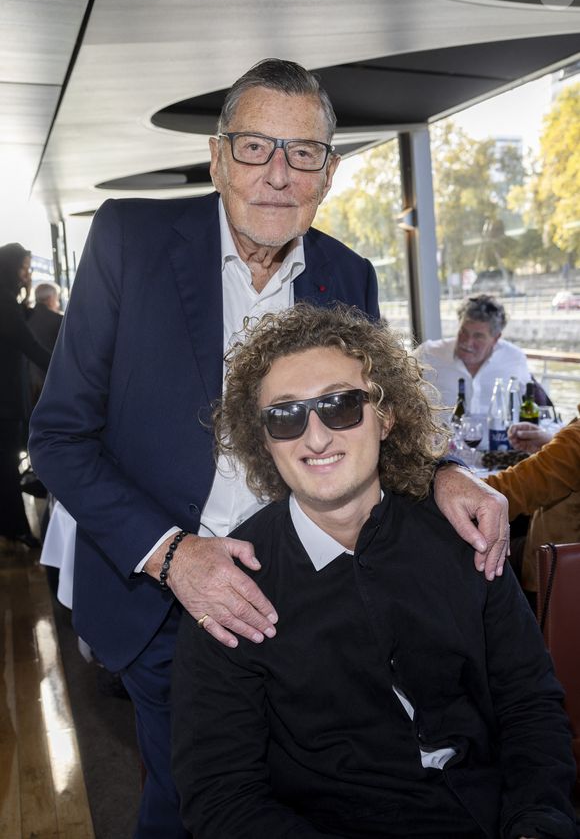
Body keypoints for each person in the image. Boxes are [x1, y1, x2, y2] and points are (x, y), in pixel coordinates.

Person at [29, 59, 508, 838]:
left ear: (330, 172)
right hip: (168, 595)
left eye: (303, 153)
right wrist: (174, 556)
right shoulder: (130, 239)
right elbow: (58, 435)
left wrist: (449, 472)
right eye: (255, 148)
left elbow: (378, 413)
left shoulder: (347, 272)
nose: (278, 175)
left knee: (303, 793)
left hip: (306, 593)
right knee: (194, 802)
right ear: (218, 158)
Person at [172, 302, 577, 839]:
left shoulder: (462, 536)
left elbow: (529, 703)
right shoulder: (230, 585)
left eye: (341, 406)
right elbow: (222, 798)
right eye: (286, 416)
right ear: (264, 440)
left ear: (386, 416)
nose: (315, 437)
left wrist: (537, 822)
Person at [485, 413, 580, 600]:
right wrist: (552, 444)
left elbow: (508, 491)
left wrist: (448, 482)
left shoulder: (575, 442)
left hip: (555, 575)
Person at [0, 243, 51, 546]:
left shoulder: (8, 300)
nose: (27, 272)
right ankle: (16, 528)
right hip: (3, 400)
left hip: (5, 398)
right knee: (6, 465)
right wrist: (66, 370)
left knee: (6, 463)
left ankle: (13, 527)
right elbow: (29, 345)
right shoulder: (4, 302)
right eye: (24, 266)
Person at [413, 293, 530, 416]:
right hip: (442, 434)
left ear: (496, 338)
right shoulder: (429, 353)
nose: (467, 342)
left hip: (497, 434)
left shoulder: (514, 358)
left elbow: (528, 402)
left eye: (478, 336)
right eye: (463, 332)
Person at [28, 282, 63, 405]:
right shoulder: (59, 321)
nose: (58, 304)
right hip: (51, 380)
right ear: (50, 299)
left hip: (27, 381)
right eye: (57, 299)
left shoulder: (25, 317)